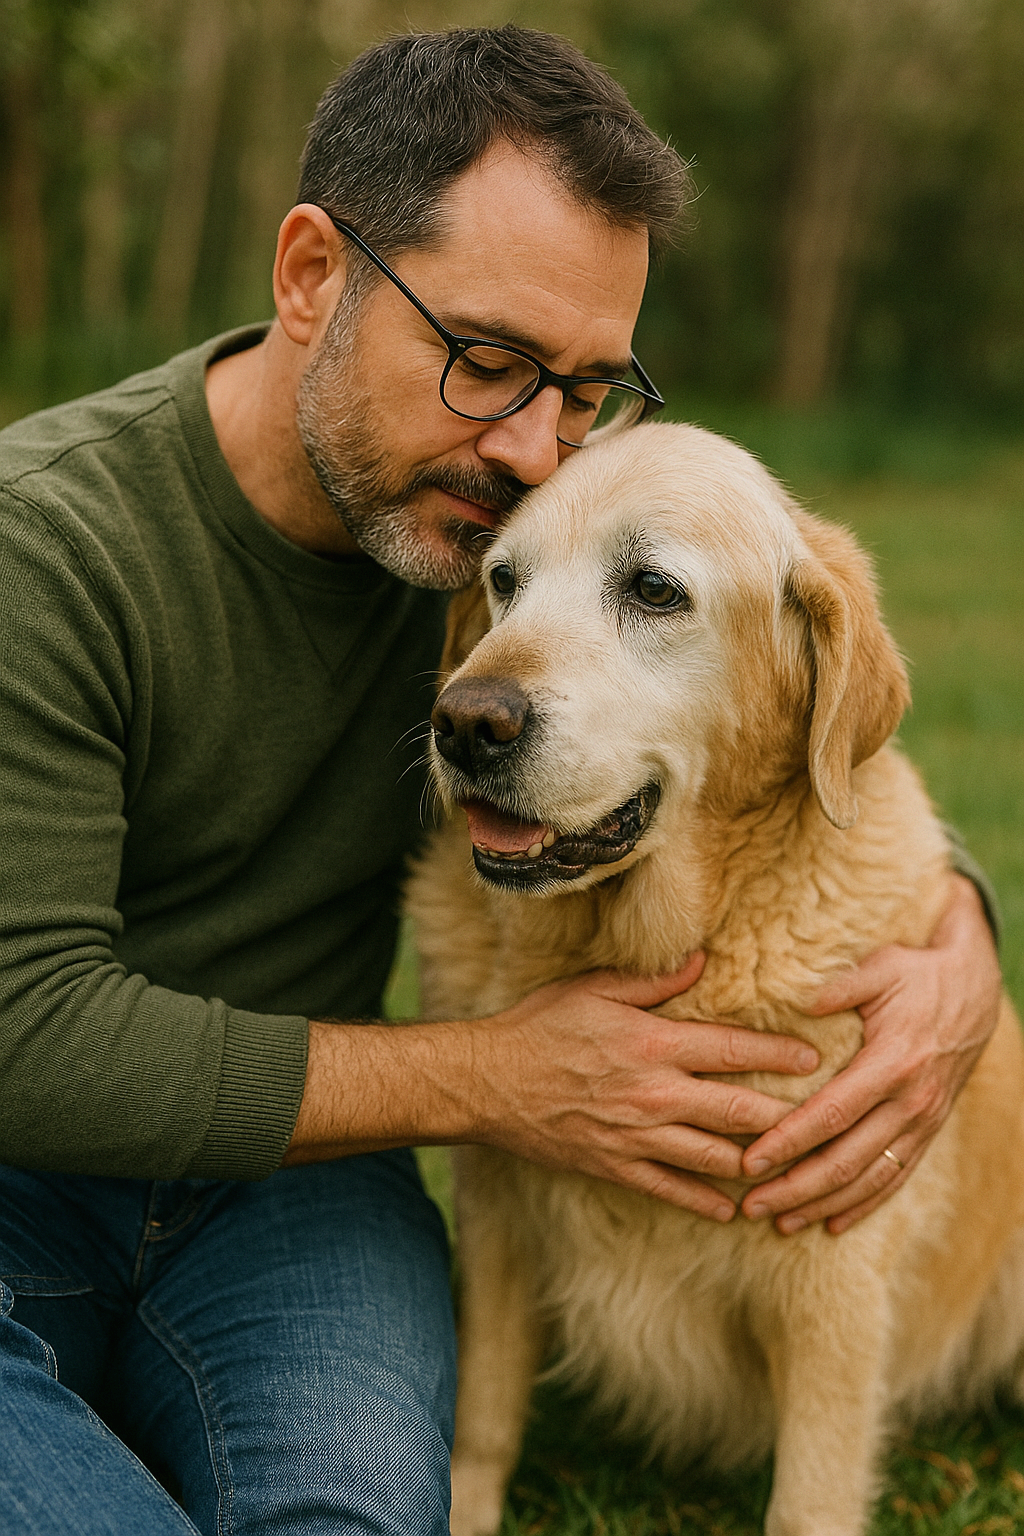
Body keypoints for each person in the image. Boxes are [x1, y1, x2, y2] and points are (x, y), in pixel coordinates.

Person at [0, 25, 1003, 1536]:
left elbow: (757, 705)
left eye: (589, 387)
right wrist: (505, 1078)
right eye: (487, 359)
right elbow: (26, 1031)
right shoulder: (43, 552)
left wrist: (962, 944)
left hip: (282, 1198)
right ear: (309, 277)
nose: (536, 445)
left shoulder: (501, 551)